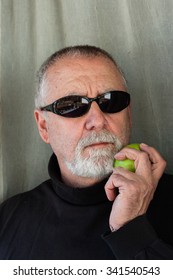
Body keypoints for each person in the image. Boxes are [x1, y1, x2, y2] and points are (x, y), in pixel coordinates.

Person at [0, 45, 173, 260]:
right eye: (72, 105)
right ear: (44, 127)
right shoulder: (10, 218)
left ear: (128, 114)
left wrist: (131, 231)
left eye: (111, 100)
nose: (98, 120)